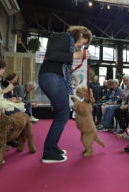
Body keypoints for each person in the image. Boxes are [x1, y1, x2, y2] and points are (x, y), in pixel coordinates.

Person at [38, 26, 92, 163]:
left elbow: (58, 60)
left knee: (62, 113)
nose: (81, 46)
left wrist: (75, 59)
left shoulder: (68, 43)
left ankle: (52, 147)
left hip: (53, 77)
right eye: (83, 42)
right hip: (52, 77)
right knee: (63, 113)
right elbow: (52, 54)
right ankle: (49, 152)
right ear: (80, 34)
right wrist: (75, 55)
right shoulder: (64, 36)